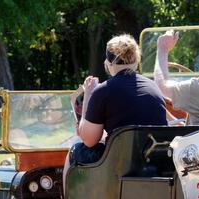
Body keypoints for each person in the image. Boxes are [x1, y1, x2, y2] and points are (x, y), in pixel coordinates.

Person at [63, 34, 167, 194]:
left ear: (109, 63)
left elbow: (89, 141)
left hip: (118, 163)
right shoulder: (153, 87)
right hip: (153, 160)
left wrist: (89, 94)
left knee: (75, 150)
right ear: (136, 60)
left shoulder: (103, 91)